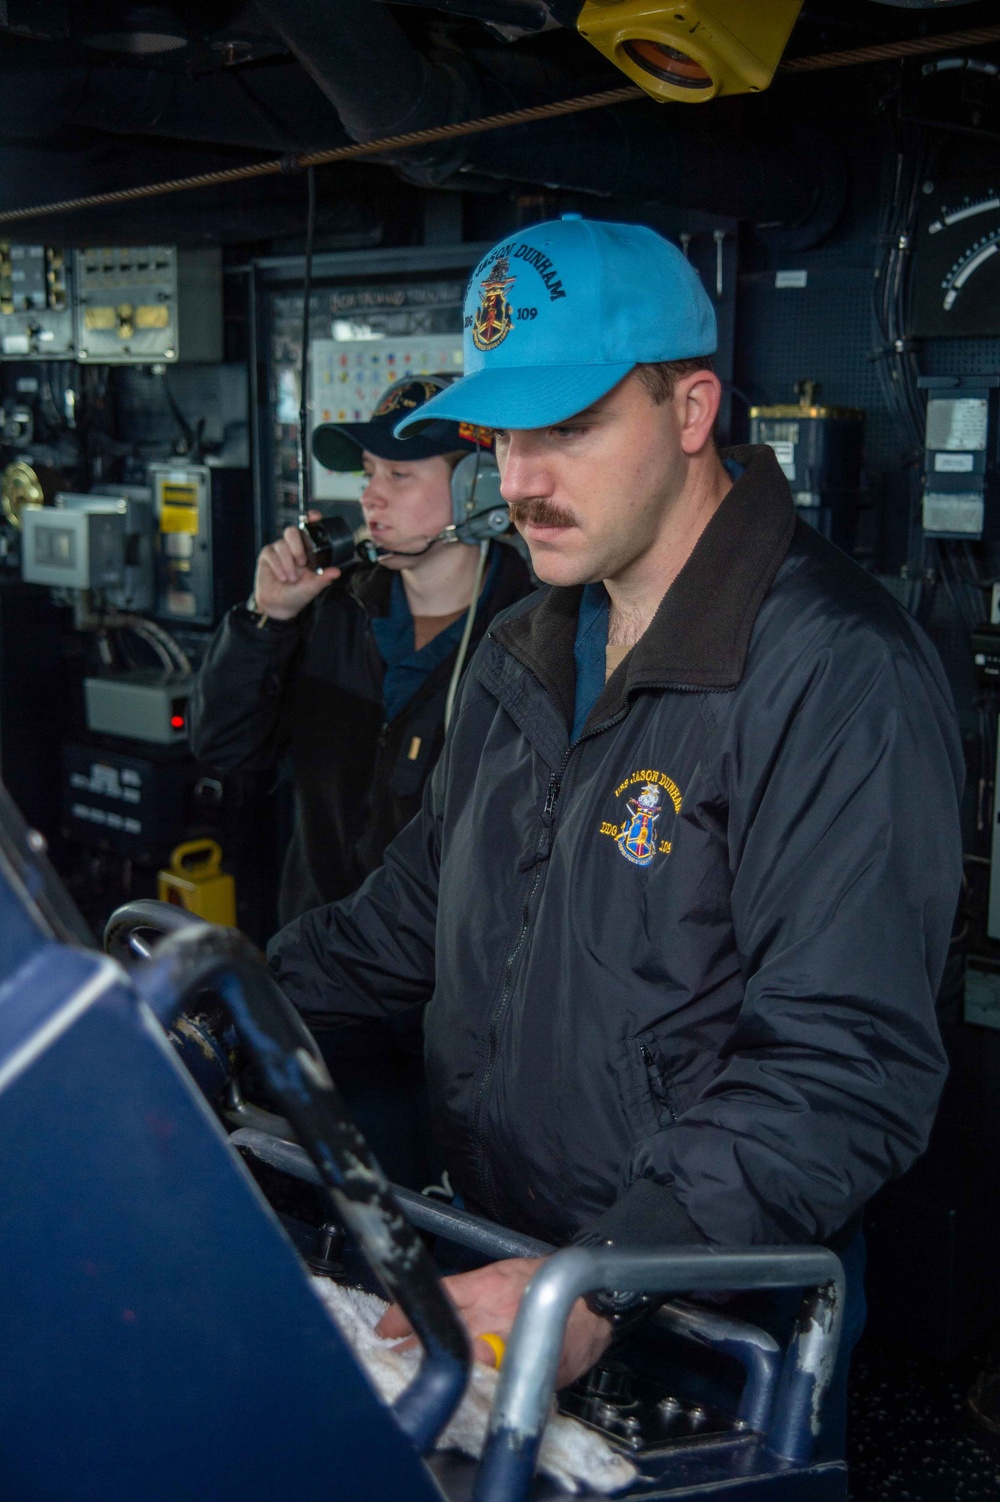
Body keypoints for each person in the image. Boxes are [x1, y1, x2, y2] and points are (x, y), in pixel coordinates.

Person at [268, 219, 963, 1421]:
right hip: (501, 1258)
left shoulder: (835, 671)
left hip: (700, 1309)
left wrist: (601, 1278)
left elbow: (843, 1064)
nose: (522, 479)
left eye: (572, 430)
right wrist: (203, 1012)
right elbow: (407, 918)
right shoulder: (527, 642)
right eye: (507, 437)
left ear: (691, 409)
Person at [189, 376, 531, 1187]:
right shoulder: (331, 612)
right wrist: (267, 616)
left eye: (399, 476)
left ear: (480, 485)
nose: (370, 498)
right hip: (322, 990)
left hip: (454, 1021)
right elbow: (224, 747)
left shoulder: (534, 629)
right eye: (367, 475)